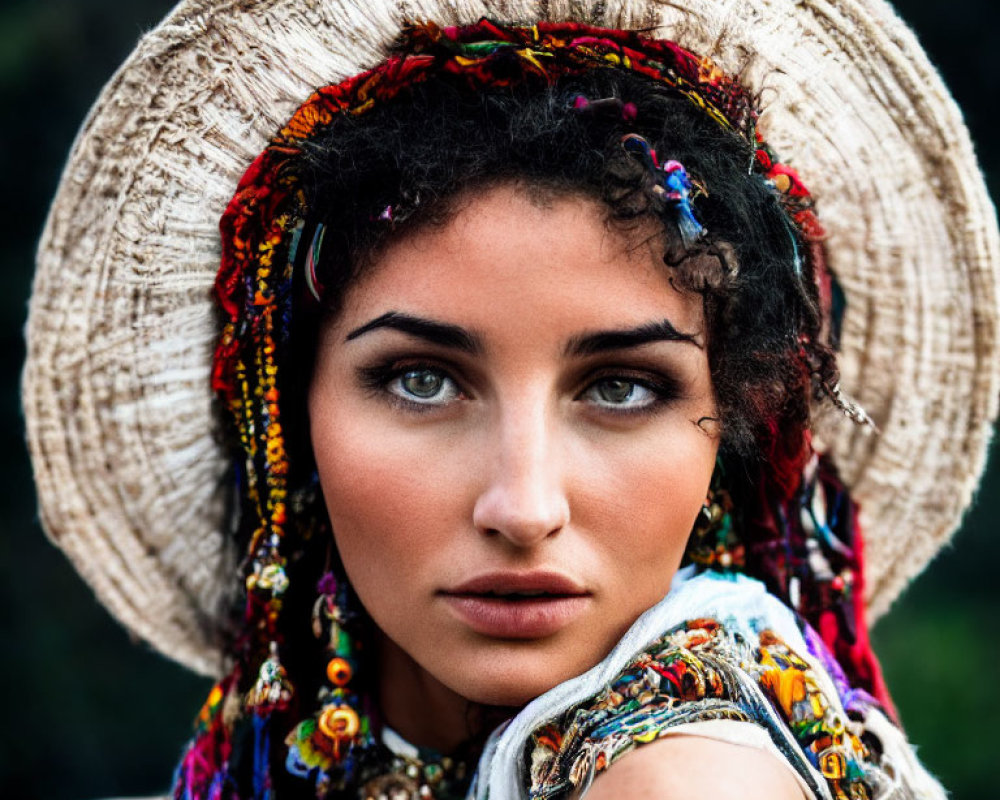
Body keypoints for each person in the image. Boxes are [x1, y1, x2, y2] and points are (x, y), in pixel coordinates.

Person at [22, 1, 999, 799]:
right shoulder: (293, 759)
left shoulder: (684, 772)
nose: (524, 507)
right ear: (285, 414)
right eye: (422, 379)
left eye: (622, 386)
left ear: (730, 429)